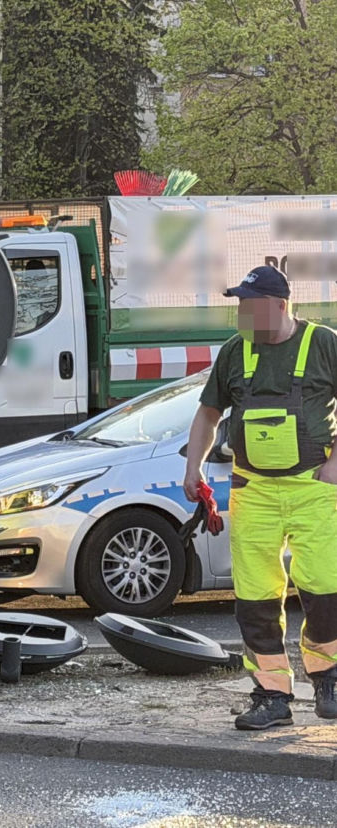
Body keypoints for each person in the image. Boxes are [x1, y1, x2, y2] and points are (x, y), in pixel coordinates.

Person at [184, 265, 337, 730]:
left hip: (315, 488)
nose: (244, 314)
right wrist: (193, 467)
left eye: (251, 305)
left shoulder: (325, 344)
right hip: (252, 490)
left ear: (279, 304)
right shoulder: (235, 352)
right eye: (240, 306)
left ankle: (328, 680)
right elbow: (208, 415)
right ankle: (272, 696)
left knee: (325, 590)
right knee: (254, 598)